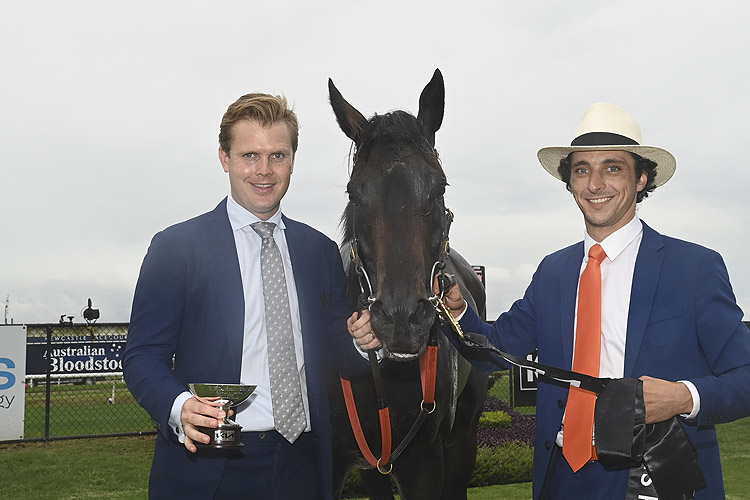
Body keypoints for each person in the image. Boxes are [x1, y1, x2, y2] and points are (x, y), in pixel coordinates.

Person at [439, 102, 750, 499]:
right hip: (562, 477)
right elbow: (493, 351)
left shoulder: (695, 268)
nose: (595, 183)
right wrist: (458, 310)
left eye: (613, 167)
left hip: (654, 475)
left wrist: (683, 397)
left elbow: (745, 376)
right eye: (582, 169)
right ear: (570, 182)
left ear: (641, 178)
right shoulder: (552, 272)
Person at [123, 93, 381, 500]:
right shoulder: (176, 248)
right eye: (249, 156)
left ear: (293, 161)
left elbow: (337, 351)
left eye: (277, 155)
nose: (264, 171)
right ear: (225, 159)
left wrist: (365, 342)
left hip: (305, 467)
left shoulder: (319, 251)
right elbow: (141, 356)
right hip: (208, 469)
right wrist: (179, 407)